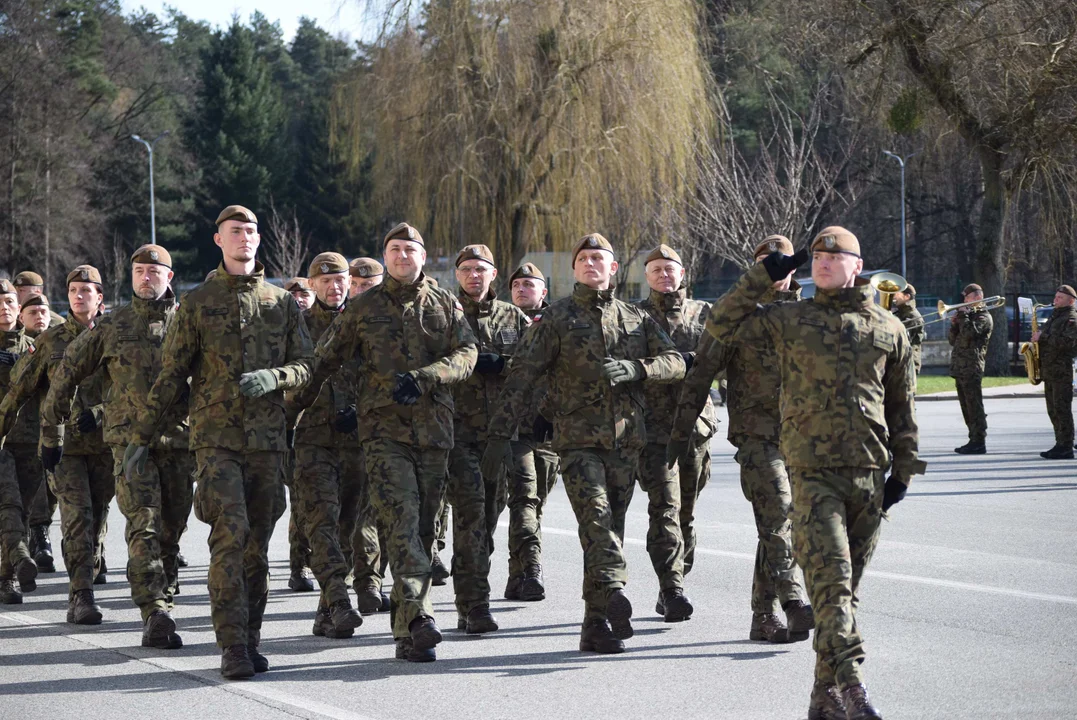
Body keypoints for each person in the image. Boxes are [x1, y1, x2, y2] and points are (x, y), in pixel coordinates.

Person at [705, 226, 926, 720]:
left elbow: (902, 408)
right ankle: (852, 686)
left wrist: (904, 473)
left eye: (834, 256)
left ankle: (822, 697)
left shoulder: (889, 328)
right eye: (817, 257)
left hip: (870, 476)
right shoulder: (789, 319)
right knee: (831, 582)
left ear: (857, 263)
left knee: (841, 596)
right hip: (811, 474)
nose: (822, 262)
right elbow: (720, 322)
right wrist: (763, 276)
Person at [123, 205, 313, 680]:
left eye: (251, 231)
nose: (244, 238)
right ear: (218, 240)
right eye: (235, 231)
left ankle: (250, 639)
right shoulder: (197, 303)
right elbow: (172, 376)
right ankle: (231, 646)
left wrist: (276, 376)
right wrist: (141, 436)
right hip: (215, 443)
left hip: (268, 443)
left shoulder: (280, 303)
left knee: (258, 548)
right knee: (229, 540)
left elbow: (308, 365)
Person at [482, 233, 686, 654]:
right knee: (595, 519)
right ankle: (613, 587)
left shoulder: (635, 318)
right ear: (574, 270)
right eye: (584, 259)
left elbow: (676, 362)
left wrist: (637, 368)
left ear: (613, 269)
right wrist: (498, 435)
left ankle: (595, 623)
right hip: (576, 443)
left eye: (600, 259)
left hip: (626, 442)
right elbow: (521, 377)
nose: (592, 264)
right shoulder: (556, 319)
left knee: (610, 529)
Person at [291, 222, 478, 663]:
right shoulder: (363, 307)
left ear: (423, 255)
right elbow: (323, 362)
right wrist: (286, 412)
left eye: (409, 249)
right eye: (393, 249)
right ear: (385, 255)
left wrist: (430, 377)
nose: (401, 256)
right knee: (400, 518)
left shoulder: (445, 303)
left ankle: (406, 627)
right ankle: (419, 616)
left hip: (434, 432)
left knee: (424, 528)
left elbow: (467, 353)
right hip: (382, 435)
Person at [40, 245, 190, 650]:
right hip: (129, 445)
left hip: (179, 441)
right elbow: (69, 367)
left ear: (168, 278)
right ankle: (154, 610)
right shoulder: (113, 325)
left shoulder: (187, 322)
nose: (145, 278)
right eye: (139, 271)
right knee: (143, 523)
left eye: (153, 272)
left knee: (172, 528)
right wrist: (52, 423)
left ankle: (165, 590)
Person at [673, 235, 813, 644]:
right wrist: (681, 432)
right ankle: (791, 599)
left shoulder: (808, 315)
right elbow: (701, 373)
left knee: (778, 526)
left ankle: (762, 616)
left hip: (802, 439)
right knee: (779, 515)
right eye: (767, 263)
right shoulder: (734, 317)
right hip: (756, 438)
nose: (777, 270)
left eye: (783, 263)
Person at [0, 265, 114, 624]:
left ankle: (89, 566)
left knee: (96, 519)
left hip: (108, 445)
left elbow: (135, 390)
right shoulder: (50, 341)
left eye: (86, 290)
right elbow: (18, 391)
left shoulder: (117, 337)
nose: (79, 296)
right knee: (76, 517)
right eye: (73, 290)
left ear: (100, 297)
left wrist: (100, 411)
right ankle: (80, 596)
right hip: (61, 448)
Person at [445, 243, 529, 633]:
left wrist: (504, 364)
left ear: (494, 274)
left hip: (501, 435)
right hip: (456, 434)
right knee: (471, 517)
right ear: (457, 275)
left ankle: (470, 589)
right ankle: (475, 604)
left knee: (488, 519)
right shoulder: (444, 313)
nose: (473, 276)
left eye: (481, 269)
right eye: (466, 270)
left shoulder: (514, 318)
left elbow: (537, 367)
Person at [284, 252, 365, 639]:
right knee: (320, 525)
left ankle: (325, 613)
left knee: (348, 528)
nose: (334, 287)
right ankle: (339, 599)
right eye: (326, 281)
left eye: (341, 280)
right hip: (311, 440)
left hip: (356, 442)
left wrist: (362, 413)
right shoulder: (295, 327)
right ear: (312, 285)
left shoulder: (365, 324)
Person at [633, 244, 715, 622]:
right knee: (664, 508)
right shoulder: (633, 316)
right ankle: (672, 587)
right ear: (646, 276)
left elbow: (725, 361)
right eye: (656, 270)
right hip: (652, 431)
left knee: (687, 515)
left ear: (683, 274)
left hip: (695, 428)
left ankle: (676, 578)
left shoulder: (706, 314)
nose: (664, 275)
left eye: (670, 269)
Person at [504, 262, 559, 601]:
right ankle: (533, 568)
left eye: (529, 284)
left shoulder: (558, 323)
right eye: (517, 285)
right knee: (524, 497)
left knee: (534, 505)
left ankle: (517, 576)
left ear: (544, 291)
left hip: (548, 429)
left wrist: (552, 411)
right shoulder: (500, 321)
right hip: (512, 430)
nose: (522, 289)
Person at [0, 279, 39, 605]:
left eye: (10, 302)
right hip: (0, 441)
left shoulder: (34, 347)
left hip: (29, 439)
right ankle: (17, 561)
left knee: (22, 510)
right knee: (9, 504)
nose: (5, 308)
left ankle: (6, 575)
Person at [18, 292, 60, 571]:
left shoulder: (59, 340)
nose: (39, 316)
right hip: (22, 431)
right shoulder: (17, 344)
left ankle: (39, 536)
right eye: (31, 311)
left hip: (55, 428)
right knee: (26, 491)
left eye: (42, 311)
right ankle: (33, 539)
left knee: (51, 487)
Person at [1033, 285, 1077, 459]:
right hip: (1050, 369)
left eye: (1060, 298)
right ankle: (1059, 443)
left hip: (1061, 371)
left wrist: (1042, 337)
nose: (1055, 300)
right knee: (1052, 409)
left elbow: (1068, 343)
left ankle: (1065, 446)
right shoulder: (1056, 316)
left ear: (1071, 301)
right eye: (1056, 296)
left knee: (1061, 409)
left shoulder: (1071, 318)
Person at [948, 283, 993, 454]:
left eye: (967, 298)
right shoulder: (968, 316)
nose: (964, 301)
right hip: (960, 367)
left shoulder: (983, 317)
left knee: (974, 405)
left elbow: (969, 335)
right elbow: (953, 340)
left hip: (972, 366)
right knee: (966, 405)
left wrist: (963, 318)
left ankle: (979, 440)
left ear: (977, 298)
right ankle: (972, 437)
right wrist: (954, 324)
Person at [891, 284, 924, 378]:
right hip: (899, 361)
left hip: (907, 362)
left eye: (896, 293)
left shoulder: (913, 316)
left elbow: (899, 339)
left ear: (907, 296)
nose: (893, 296)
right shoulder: (900, 313)